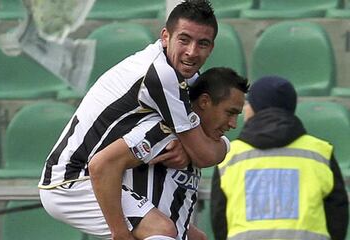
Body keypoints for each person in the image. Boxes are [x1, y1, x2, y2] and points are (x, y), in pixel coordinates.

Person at [39, 67, 248, 240]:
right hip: (150, 233)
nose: (233, 124)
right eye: (230, 113)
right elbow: (102, 165)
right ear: (204, 102)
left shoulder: (202, 144)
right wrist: (120, 232)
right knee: (162, 229)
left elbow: (219, 150)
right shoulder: (160, 130)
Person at [210, 76, 349, 240]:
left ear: (255, 108)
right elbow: (337, 214)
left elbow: (219, 218)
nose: (245, 108)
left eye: (248, 103)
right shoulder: (320, 153)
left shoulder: (229, 155)